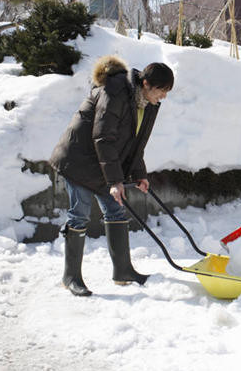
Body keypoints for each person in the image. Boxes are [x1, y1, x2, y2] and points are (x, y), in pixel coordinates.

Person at [49, 55, 174, 297]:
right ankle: (71, 276)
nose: (164, 96)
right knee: (80, 214)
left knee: (116, 211)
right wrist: (115, 181)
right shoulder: (114, 92)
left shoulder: (148, 104)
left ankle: (123, 271)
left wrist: (139, 174)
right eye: (162, 90)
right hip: (79, 160)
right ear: (146, 84)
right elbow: (103, 137)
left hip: (101, 162)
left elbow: (136, 143)